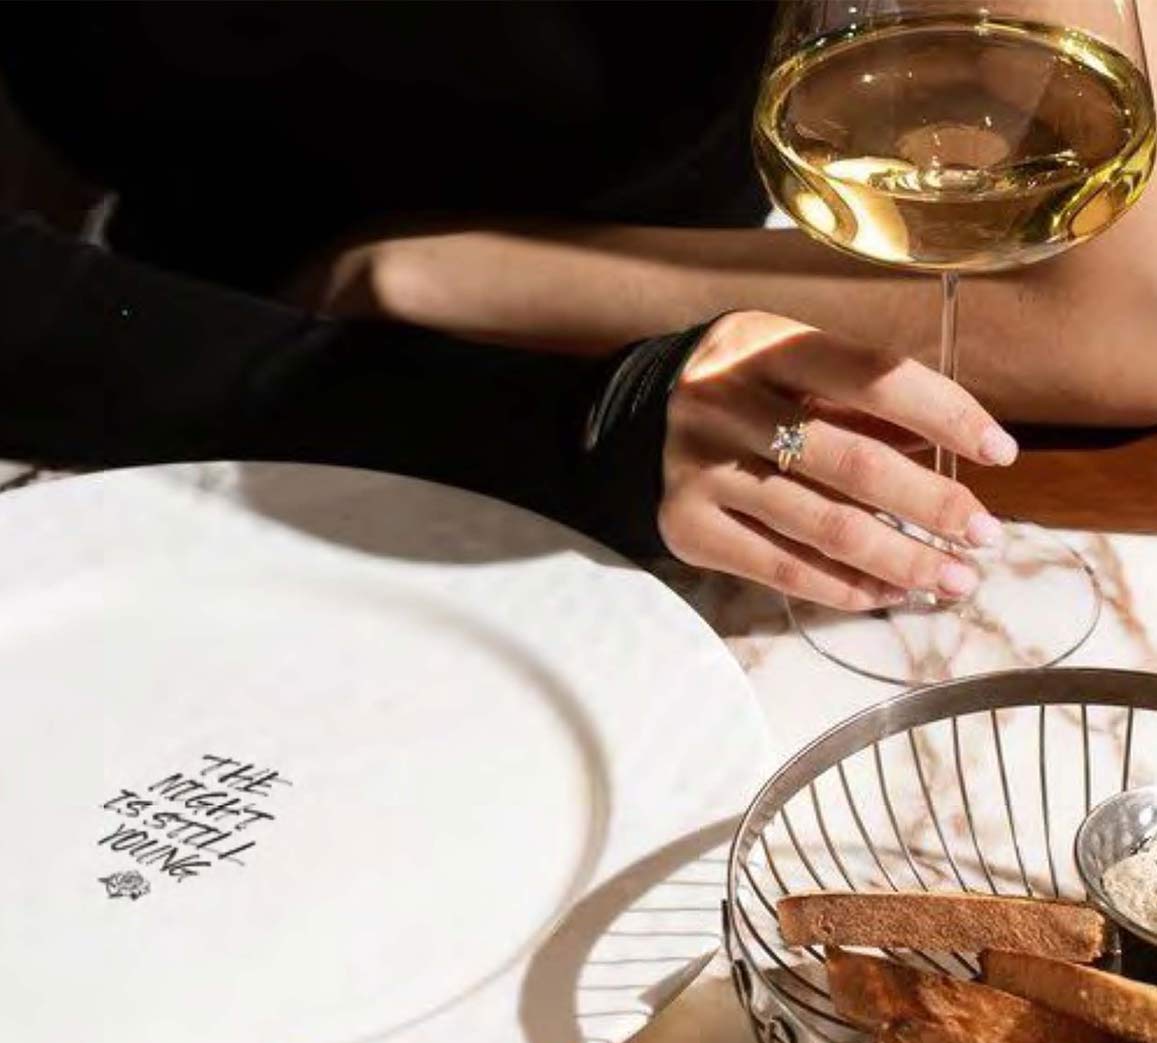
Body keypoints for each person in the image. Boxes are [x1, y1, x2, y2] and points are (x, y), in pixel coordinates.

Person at [0, 2, 1135, 612]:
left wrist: (442, 272)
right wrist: (531, 424)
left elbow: (1121, 317)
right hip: (143, 382)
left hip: (663, 371)